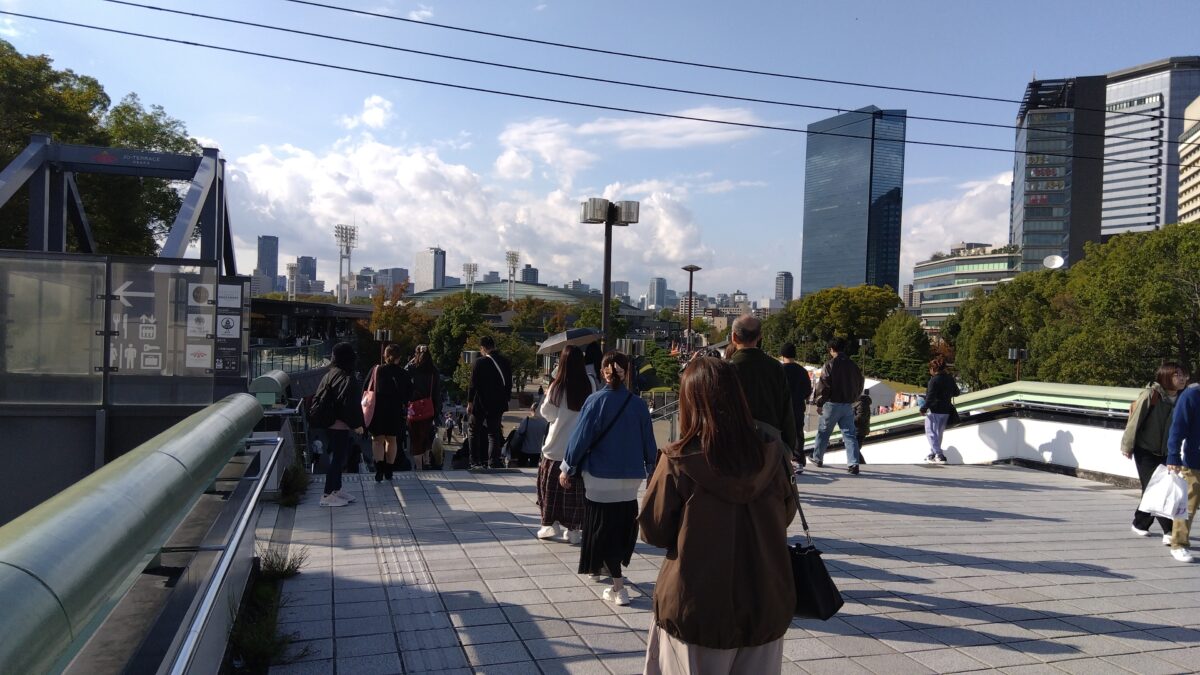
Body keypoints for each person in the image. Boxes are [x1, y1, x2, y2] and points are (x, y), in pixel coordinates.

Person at [639, 357, 796, 674]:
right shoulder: (773, 455)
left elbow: (654, 530)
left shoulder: (679, 459)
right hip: (764, 600)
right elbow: (786, 515)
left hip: (695, 603)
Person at [561, 351, 657, 606]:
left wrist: (567, 467)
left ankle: (617, 584)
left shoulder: (595, 401)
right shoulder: (637, 404)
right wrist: (651, 469)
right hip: (630, 479)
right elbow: (649, 441)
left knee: (599, 526)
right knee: (620, 526)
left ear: (604, 372)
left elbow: (580, 438)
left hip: (599, 477)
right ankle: (603, 569)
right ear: (627, 373)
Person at [537, 345, 595, 544]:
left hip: (556, 446)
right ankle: (574, 530)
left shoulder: (557, 386)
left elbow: (547, 414)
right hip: (580, 448)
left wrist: (548, 395)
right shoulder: (590, 383)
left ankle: (549, 525)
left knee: (551, 490)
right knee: (576, 494)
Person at [1123, 363, 1187, 542]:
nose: (1181, 379)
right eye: (1177, 375)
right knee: (1159, 488)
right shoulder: (1151, 395)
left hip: (1167, 451)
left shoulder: (1182, 398)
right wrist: (1127, 446)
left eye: (1183, 375)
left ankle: (1140, 523)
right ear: (1166, 377)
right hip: (1145, 450)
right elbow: (1135, 421)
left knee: (1152, 489)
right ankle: (1169, 531)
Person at [313, 342, 364, 507]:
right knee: (338, 459)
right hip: (339, 424)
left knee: (339, 457)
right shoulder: (347, 378)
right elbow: (349, 405)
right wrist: (357, 424)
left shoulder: (331, 373)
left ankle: (337, 489)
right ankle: (327, 494)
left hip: (329, 421)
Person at [811, 337, 865, 474]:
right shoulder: (853, 365)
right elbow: (860, 383)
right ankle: (853, 463)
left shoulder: (829, 365)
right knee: (849, 435)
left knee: (824, 432)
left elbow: (824, 385)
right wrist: (854, 398)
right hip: (847, 405)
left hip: (831, 404)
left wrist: (819, 402)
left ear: (831, 349)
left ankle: (817, 458)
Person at [1165, 369, 1198, 563]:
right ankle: (1179, 543)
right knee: (1189, 506)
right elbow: (1177, 427)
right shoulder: (1192, 394)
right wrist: (1173, 456)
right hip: (1195, 461)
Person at [367, 344, 413, 482]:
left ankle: (379, 469)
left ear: (385, 356)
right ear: (399, 358)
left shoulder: (376, 370)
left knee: (377, 440)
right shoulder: (403, 374)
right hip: (395, 411)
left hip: (377, 410)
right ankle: (389, 470)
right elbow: (409, 394)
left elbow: (366, 388)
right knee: (392, 440)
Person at [467, 335, 513, 469]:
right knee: (494, 433)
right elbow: (509, 383)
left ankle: (475, 461)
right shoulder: (505, 361)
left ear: (482, 348)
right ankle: (493, 461)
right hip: (498, 403)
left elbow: (472, 384)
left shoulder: (479, 362)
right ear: (494, 346)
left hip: (480, 402)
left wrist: (470, 402)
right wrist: (506, 398)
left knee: (474, 431)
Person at [778, 341, 812, 473]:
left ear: (782, 354)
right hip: (798, 406)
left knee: (780, 433)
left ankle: (782, 460)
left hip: (782, 407)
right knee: (798, 433)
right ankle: (798, 460)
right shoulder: (802, 371)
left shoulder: (779, 369)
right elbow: (808, 391)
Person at [408, 349, 443, 471]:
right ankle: (427, 461)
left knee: (416, 438)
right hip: (429, 408)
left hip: (414, 409)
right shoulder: (434, 371)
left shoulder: (412, 369)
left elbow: (404, 375)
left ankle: (418, 466)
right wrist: (437, 410)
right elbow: (437, 392)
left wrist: (411, 362)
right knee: (428, 436)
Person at [920, 357, 960, 464]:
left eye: (930, 369)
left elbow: (930, 397)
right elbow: (957, 392)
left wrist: (924, 408)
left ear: (934, 369)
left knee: (930, 432)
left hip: (934, 410)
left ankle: (939, 454)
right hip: (946, 410)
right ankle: (933, 453)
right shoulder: (949, 378)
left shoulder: (934, 380)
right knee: (939, 433)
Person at [853, 388, 873, 453]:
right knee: (855, 450)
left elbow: (860, 418)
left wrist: (848, 420)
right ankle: (858, 463)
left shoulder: (861, 403)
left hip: (859, 431)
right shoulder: (859, 402)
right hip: (858, 430)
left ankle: (857, 463)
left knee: (854, 450)